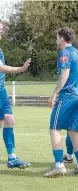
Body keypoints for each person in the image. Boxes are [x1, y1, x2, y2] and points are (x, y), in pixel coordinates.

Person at [44, 27, 78, 177]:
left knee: (54, 129)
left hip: (67, 98)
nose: (56, 40)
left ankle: (59, 165)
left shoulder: (65, 53)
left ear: (62, 38)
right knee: (74, 131)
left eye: (57, 37)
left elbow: (64, 74)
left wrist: (54, 94)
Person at [0, 20, 31, 169]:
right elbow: (0, 68)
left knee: (9, 121)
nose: (1, 32)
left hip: (1, 91)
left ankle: (12, 158)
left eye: (1, 29)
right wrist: (21, 68)